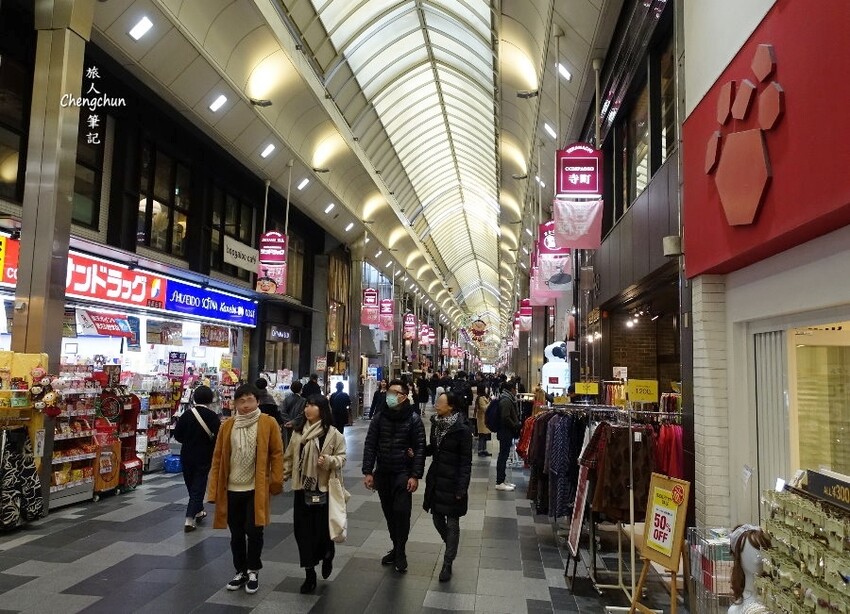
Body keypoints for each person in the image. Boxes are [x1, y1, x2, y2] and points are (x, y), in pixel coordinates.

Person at [207, 383, 284, 594]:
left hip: (255, 487)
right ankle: (240, 570)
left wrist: (276, 481)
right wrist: (213, 487)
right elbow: (218, 458)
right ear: (235, 404)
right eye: (241, 401)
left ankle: (253, 570)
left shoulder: (268, 423)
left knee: (254, 529)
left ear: (258, 401)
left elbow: (277, 453)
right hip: (231, 488)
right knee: (237, 533)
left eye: (250, 400)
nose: (246, 405)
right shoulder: (227, 426)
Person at [283, 394, 346, 594]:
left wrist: (329, 461)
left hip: (323, 490)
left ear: (322, 409)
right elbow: (289, 457)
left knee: (321, 533)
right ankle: (309, 574)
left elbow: (342, 458)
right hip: (302, 489)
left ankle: (328, 555)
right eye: (306, 405)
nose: (308, 409)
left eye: (312, 406)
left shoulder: (333, 434)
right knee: (303, 534)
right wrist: (282, 476)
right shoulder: (298, 432)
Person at [362, 379, 426, 573]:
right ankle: (396, 547)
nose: (390, 395)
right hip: (383, 473)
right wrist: (367, 471)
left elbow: (420, 448)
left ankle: (400, 551)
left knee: (402, 513)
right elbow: (370, 444)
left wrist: (415, 475)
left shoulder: (414, 419)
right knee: (389, 514)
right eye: (389, 391)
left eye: (395, 392)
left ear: (404, 397)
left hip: (403, 474)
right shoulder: (380, 417)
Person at [423, 391, 472, 582]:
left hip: (453, 482)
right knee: (436, 518)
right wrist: (418, 451)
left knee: (452, 523)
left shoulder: (462, 430)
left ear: (450, 406)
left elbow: (465, 462)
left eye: (440, 402)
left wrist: (462, 488)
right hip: (436, 479)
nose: (436, 404)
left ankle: (447, 563)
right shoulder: (436, 425)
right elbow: (434, 448)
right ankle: (451, 544)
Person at [173, 385, 220, 532]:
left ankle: (198, 511)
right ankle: (189, 518)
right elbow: (218, 437)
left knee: (191, 484)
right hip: (204, 455)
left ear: (194, 397)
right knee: (198, 486)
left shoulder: (186, 415)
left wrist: (188, 441)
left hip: (186, 454)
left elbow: (177, 435)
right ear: (210, 399)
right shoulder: (212, 416)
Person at [728, 524, 771, 614]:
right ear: (739, 557)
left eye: (761, 550)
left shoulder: (775, 599)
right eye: (749, 551)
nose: (758, 557)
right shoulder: (735, 611)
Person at [495, 380, 520, 491]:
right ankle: (499, 481)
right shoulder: (506, 400)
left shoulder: (507, 398)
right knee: (503, 456)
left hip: (505, 431)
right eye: (516, 389)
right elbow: (505, 417)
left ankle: (502, 480)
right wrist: (515, 425)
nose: (516, 391)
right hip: (505, 432)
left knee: (504, 456)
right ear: (512, 389)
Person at [474, 384, 492, 457]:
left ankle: (484, 450)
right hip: (482, 419)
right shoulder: (481, 398)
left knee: (484, 435)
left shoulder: (483, 397)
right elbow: (484, 408)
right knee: (482, 435)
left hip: (484, 419)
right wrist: (490, 403)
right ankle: (480, 450)